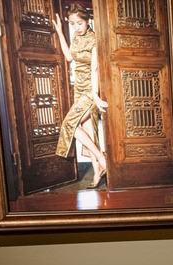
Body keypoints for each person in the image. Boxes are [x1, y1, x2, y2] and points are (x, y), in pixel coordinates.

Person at [53, 5, 109, 188]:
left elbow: (94, 69)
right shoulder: (76, 37)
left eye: (80, 23)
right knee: (88, 131)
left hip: (90, 90)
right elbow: (69, 57)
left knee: (70, 124)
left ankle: (102, 160)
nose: (76, 27)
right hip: (79, 90)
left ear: (87, 21)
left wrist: (95, 96)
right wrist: (60, 32)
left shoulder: (94, 39)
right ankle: (97, 172)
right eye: (72, 24)